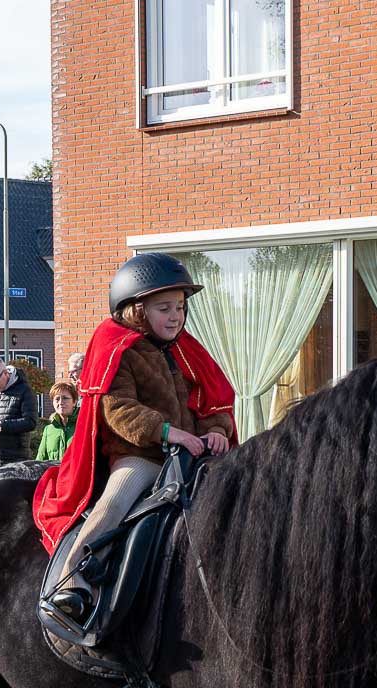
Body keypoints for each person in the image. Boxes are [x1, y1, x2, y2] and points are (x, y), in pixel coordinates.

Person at [38, 253, 236, 624]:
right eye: (164, 308)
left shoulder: (186, 350)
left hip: (192, 455)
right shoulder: (118, 348)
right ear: (137, 310)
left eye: (180, 307)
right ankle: (71, 579)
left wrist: (216, 430)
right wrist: (167, 432)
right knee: (115, 500)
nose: (175, 316)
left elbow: (211, 401)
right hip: (142, 456)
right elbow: (118, 409)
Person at [37, 382, 77, 462]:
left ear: (74, 402)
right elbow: (40, 460)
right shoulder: (48, 430)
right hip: (55, 470)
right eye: (57, 399)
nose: (60, 402)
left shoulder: (84, 426)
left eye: (65, 398)